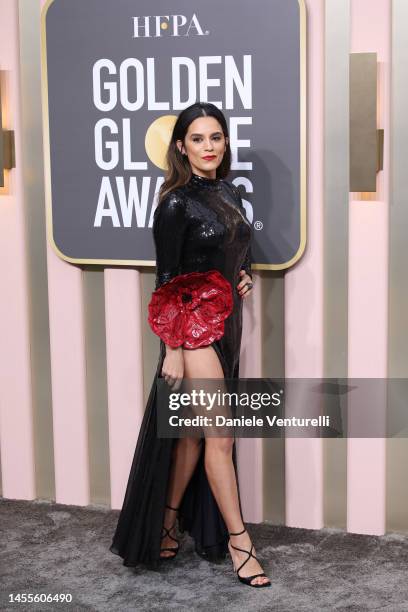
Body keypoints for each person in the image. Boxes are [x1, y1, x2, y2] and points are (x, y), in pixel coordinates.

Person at [110, 102, 271, 588]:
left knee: (190, 435)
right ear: (181, 146)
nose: (208, 147)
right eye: (198, 139)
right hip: (191, 331)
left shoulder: (227, 191)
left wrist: (243, 276)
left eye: (215, 138)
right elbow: (165, 281)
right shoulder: (175, 203)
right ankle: (241, 542)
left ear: (225, 142)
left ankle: (165, 525)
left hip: (229, 325)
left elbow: (234, 251)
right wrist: (174, 348)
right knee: (220, 438)